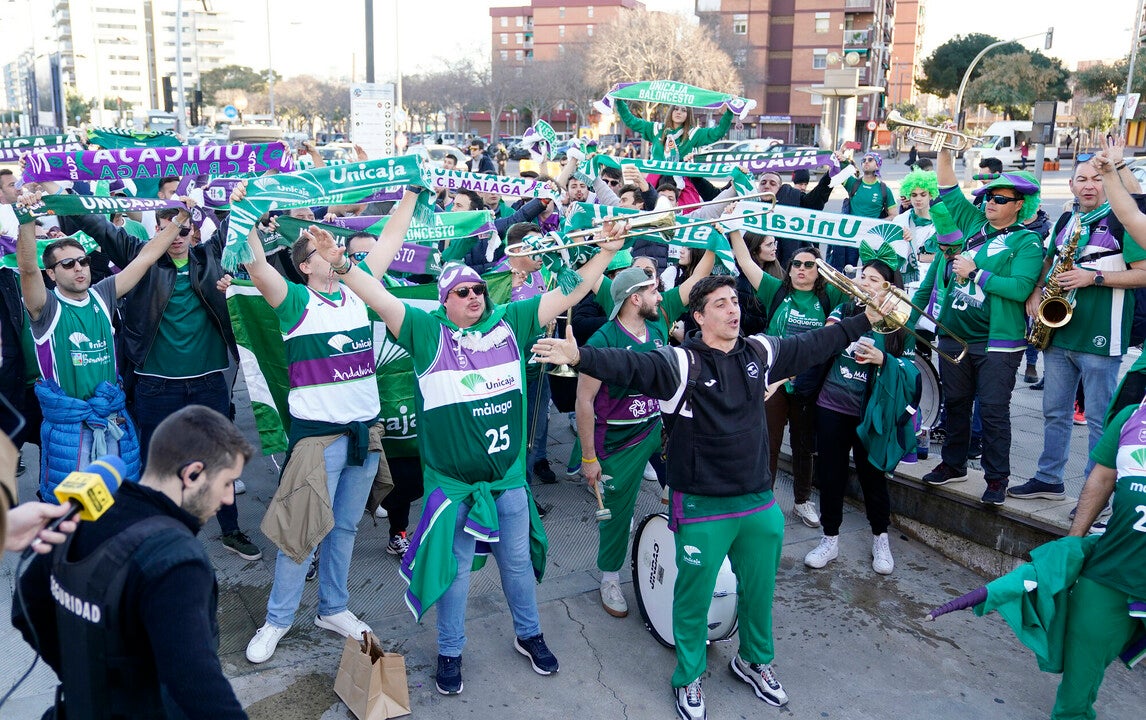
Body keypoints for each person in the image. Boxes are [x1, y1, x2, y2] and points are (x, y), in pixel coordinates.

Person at [530, 274, 893, 720]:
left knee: (759, 592)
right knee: (693, 598)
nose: (732, 309)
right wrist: (580, 355)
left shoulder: (761, 351)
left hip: (758, 500)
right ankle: (689, 677)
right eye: (720, 304)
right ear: (699, 317)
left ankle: (753, 660)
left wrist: (866, 317)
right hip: (702, 504)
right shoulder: (680, 363)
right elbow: (630, 367)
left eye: (734, 302)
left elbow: (819, 342)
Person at [307, 217, 629, 696]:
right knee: (455, 575)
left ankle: (529, 635)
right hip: (452, 487)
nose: (474, 296)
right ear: (445, 300)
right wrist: (345, 265)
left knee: (516, 565)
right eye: (462, 292)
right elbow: (380, 299)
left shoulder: (513, 322)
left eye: (478, 289)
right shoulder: (423, 331)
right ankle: (451, 650)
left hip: (507, 480)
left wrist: (606, 253)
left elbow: (569, 294)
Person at [239, 186, 421, 665]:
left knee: (343, 529)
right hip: (317, 439)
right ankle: (277, 620)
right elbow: (256, 266)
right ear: (305, 264)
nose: (337, 249)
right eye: (325, 248)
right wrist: (240, 212)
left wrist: (411, 194)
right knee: (301, 532)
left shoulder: (358, 292)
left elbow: (390, 239)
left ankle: (332, 609)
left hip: (364, 434)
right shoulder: (295, 301)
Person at [12, 405, 253, 719]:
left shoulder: (82, 511)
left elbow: (26, 605)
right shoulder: (177, 561)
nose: (229, 499)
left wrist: (84, 682)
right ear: (192, 474)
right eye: (227, 483)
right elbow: (198, 688)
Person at [57, 196, 262, 561]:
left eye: (183, 229)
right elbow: (93, 224)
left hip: (208, 382)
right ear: (157, 231)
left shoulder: (211, 256)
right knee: (155, 465)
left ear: (195, 231)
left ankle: (231, 530)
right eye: (167, 228)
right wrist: (57, 193)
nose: (176, 236)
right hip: (155, 384)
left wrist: (235, 199)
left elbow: (242, 218)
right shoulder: (140, 257)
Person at [15, 190, 178, 499]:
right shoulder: (45, 307)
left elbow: (145, 257)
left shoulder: (102, 295)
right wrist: (25, 221)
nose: (79, 268)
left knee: (119, 506)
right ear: (51, 273)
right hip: (70, 431)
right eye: (67, 265)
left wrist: (178, 221)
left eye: (83, 261)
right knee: (75, 516)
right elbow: (27, 269)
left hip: (112, 418)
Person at [1008, 153, 1146, 504]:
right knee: (1054, 411)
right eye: (1081, 179)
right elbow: (1051, 260)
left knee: (1100, 422)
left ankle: (1092, 499)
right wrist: (1038, 290)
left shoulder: (1121, 222)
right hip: (1059, 332)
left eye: (1096, 179)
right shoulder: (1068, 218)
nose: (1088, 185)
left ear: (1108, 184)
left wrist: (1093, 277)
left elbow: (1143, 273)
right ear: (1071, 185)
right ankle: (1048, 478)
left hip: (1102, 337)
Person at [915, 151, 1044, 505]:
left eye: (1000, 198)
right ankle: (953, 464)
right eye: (988, 195)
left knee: (992, 410)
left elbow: (1019, 288)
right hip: (954, 336)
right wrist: (944, 150)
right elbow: (948, 187)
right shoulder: (974, 224)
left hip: (998, 343)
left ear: (1020, 205)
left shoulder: (1027, 241)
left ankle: (997, 478)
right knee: (954, 403)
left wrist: (975, 273)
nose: (990, 201)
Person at [804, 243, 919, 574]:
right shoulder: (845, 309)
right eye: (862, 277)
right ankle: (830, 539)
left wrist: (884, 359)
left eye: (873, 279)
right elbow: (825, 339)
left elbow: (911, 373)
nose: (864, 283)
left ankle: (880, 538)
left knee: (873, 477)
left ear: (889, 286)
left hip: (873, 411)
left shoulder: (901, 324)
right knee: (830, 474)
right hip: (832, 405)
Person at [577, 266, 675, 618]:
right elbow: (584, 401)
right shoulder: (603, 340)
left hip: (656, 428)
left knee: (686, 490)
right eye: (654, 291)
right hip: (618, 438)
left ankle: (674, 561)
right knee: (616, 515)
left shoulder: (658, 328)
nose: (660, 297)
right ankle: (610, 577)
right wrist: (589, 457)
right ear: (635, 297)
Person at [730, 235, 843, 529]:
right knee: (767, 440)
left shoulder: (830, 296)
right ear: (789, 267)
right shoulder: (775, 289)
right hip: (773, 378)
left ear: (819, 271)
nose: (802, 269)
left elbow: (862, 294)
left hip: (810, 383)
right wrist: (732, 229)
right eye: (797, 264)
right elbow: (744, 261)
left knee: (804, 445)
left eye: (810, 265)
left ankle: (802, 501)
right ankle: (763, 500)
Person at [1045, 397, 1146, 720]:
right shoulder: (1132, 416)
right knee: (1078, 678)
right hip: (1113, 568)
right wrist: (1072, 545)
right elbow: (1102, 478)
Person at [830, 152, 897, 271]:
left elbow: (893, 215)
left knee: (872, 270)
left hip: (872, 237)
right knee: (848, 269)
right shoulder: (853, 183)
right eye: (864, 160)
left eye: (870, 160)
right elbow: (839, 170)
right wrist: (841, 159)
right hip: (852, 234)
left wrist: (878, 222)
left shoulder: (884, 189)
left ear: (877, 165)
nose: (866, 161)